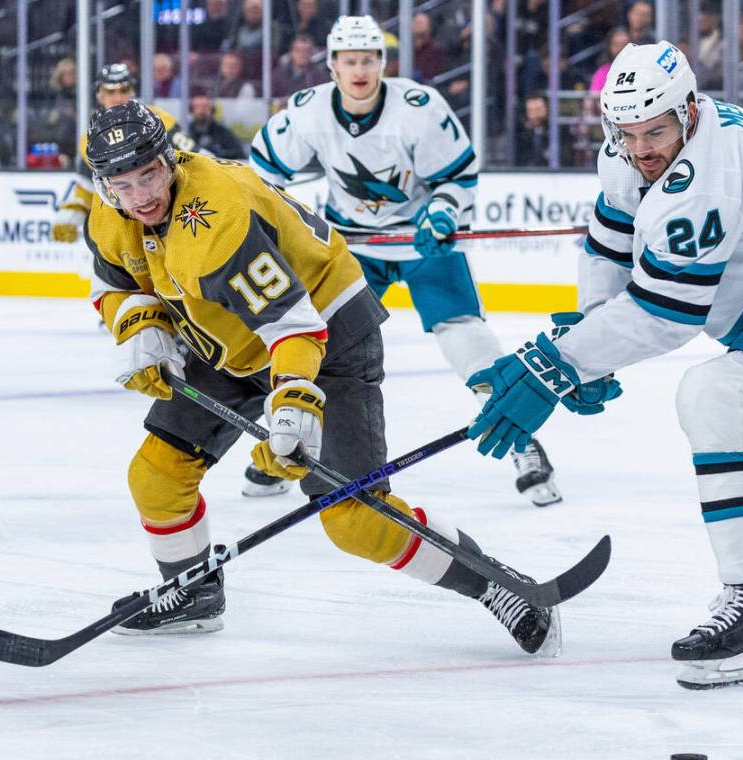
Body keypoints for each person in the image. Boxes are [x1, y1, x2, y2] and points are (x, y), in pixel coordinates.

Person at [466, 42, 743, 689]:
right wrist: (590, 327)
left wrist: (556, 364)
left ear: (688, 110)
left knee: (713, 397)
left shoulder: (704, 176)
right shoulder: (632, 152)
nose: (643, 147)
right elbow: (609, 239)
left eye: (656, 130)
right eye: (627, 133)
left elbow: (667, 313)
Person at [80, 99, 560, 654]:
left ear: (171, 158)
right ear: (104, 183)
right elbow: (113, 285)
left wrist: (291, 406)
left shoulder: (215, 216)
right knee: (156, 477)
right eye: (123, 183)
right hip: (227, 341)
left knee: (353, 520)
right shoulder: (109, 214)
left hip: (327, 332)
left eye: (150, 174)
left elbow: (293, 325)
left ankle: (504, 590)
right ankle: (191, 593)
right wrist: (137, 322)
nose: (142, 195)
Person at [249, 15, 563, 507]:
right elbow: (263, 172)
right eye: (350, 60)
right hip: (350, 249)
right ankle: (292, 448)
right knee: (318, 348)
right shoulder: (309, 111)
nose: (360, 69)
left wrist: (442, 210)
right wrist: (288, 219)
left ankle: (523, 443)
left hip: (423, 242)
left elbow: (459, 176)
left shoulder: (418, 107)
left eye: (369, 59)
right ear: (331, 65)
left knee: (465, 338)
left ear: (383, 62)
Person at [50, 63, 196, 244]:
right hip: (125, 230)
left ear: (133, 91)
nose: (118, 97)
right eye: (110, 92)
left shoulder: (159, 121)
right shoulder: (90, 139)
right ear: (100, 96)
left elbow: (198, 161)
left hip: (172, 217)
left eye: (124, 90)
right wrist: (69, 216)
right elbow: (87, 185)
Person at [189, 93, 245, 160]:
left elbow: (240, 156)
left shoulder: (224, 133)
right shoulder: (186, 133)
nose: (202, 111)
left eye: (205, 106)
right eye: (197, 107)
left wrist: (217, 154)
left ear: (212, 110)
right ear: (191, 111)